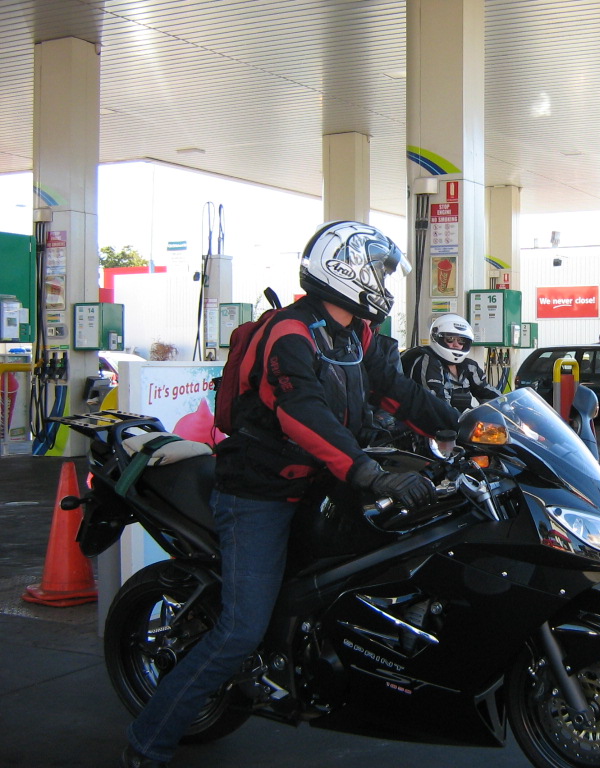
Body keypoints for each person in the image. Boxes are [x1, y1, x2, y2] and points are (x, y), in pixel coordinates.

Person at [120, 221, 460, 768]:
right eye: (378, 271)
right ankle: (148, 740)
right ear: (345, 271)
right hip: (261, 491)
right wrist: (370, 473)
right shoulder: (291, 332)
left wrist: (467, 427)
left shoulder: (356, 334)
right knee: (240, 629)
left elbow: (398, 392)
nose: (383, 282)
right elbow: (302, 413)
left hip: (323, 482)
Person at [404, 314, 501, 412]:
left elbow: (486, 392)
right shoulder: (428, 362)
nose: (456, 345)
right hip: (427, 420)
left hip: (456, 419)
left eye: (461, 340)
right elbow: (437, 403)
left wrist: (505, 405)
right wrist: (463, 418)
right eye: (450, 339)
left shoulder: (470, 366)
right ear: (437, 338)